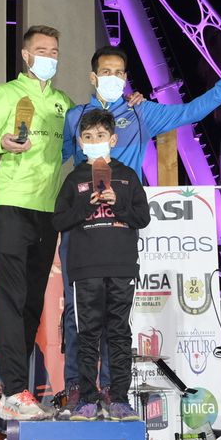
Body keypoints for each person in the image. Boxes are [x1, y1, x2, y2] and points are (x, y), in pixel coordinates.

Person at [56, 46, 221, 403]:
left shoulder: (140, 112)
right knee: (77, 315)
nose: (113, 78)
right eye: (106, 72)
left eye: (119, 72)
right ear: (92, 76)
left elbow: (190, 111)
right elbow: (56, 159)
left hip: (121, 231)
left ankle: (111, 393)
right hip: (81, 231)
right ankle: (77, 388)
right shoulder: (74, 116)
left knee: (115, 320)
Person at [0, 25, 75, 421]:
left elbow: (82, 140)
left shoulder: (63, 102)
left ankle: (19, 393)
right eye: (41, 50)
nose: (49, 56)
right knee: (9, 301)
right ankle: (12, 390)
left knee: (30, 306)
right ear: (27, 56)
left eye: (55, 51)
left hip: (48, 213)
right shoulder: (7, 93)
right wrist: (1, 143)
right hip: (11, 206)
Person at [52, 108, 151, 420]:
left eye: (100, 136)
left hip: (122, 267)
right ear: (81, 142)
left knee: (119, 333)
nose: (95, 141)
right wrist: (86, 204)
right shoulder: (74, 179)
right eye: (88, 137)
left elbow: (142, 217)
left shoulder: (127, 176)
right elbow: (59, 220)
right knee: (87, 334)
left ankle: (119, 398)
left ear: (113, 139)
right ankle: (86, 399)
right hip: (85, 269)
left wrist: (116, 201)